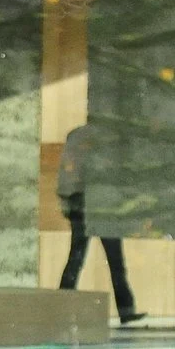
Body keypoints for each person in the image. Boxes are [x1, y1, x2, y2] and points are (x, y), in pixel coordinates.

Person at [55, 123, 140, 324]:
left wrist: (67, 200)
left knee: (78, 259)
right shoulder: (106, 136)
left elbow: (68, 173)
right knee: (111, 261)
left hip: (91, 203)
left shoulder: (82, 136)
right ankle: (125, 310)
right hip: (96, 204)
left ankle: (60, 308)